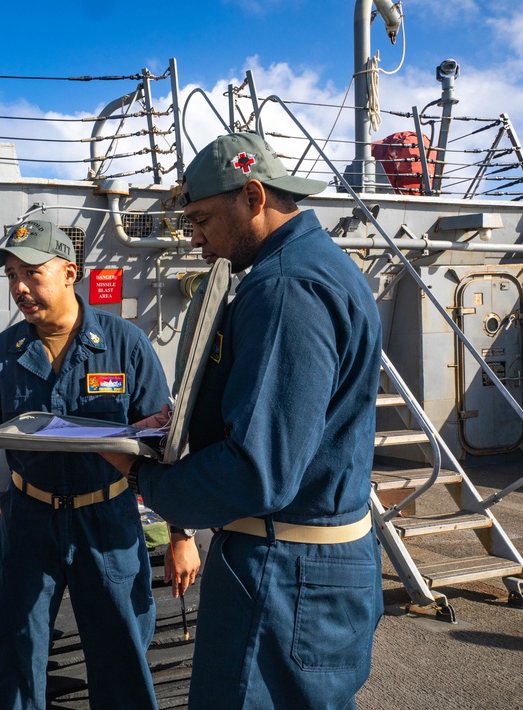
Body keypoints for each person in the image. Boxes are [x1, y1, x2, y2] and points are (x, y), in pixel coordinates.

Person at [101, 132, 384, 709]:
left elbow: (259, 471)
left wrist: (142, 478)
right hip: (314, 563)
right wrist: (186, 419)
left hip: (284, 572)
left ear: (253, 196)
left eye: (201, 218)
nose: (194, 236)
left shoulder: (284, 288)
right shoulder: (320, 266)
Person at [0, 219, 200, 710]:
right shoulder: (1, 356)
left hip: (109, 520)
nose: (20, 288)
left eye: (31, 273)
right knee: (13, 651)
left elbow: (164, 445)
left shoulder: (124, 344)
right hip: (30, 522)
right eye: (11, 276)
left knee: (121, 650)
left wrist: (182, 536)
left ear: (70, 272)